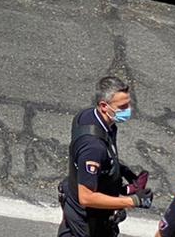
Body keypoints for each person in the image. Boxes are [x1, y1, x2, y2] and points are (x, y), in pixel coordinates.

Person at [57, 76, 152, 237]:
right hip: (87, 223)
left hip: (82, 211)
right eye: (122, 106)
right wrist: (133, 201)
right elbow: (86, 198)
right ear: (103, 106)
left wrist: (120, 171)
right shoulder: (93, 147)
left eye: (128, 104)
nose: (128, 109)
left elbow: (101, 159)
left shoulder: (91, 118)